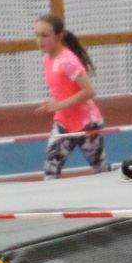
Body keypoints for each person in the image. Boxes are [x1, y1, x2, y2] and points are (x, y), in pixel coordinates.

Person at [34, 12, 108, 178]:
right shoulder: (47, 59)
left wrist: (59, 105)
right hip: (64, 122)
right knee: (50, 169)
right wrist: (52, 104)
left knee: (101, 169)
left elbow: (89, 91)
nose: (40, 40)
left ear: (58, 36)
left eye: (45, 36)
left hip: (87, 123)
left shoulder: (68, 61)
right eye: (37, 35)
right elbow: (64, 90)